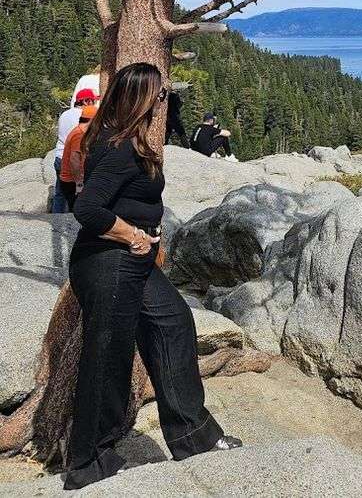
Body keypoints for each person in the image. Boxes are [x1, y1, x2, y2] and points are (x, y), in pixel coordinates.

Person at [64, 63, 241, 489]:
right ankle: (88, 462)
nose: (167, 102)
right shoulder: (120, 146)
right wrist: (132, 235)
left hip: (130, 263)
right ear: (143, 99)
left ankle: (192, 436)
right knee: (108, 357)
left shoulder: (127, 140)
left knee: (173, 323)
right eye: (162, 96)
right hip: (109, 262)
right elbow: (86, 209)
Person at [54, 89, 97, 214]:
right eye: (93, 101)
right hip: (74, 160)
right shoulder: (81, 118)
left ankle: (56, 219)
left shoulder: (64, 114)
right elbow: (76, 153)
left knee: (60, 194)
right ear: (86, 101)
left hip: (59, 155)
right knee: (76, 196)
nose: (93, 103)